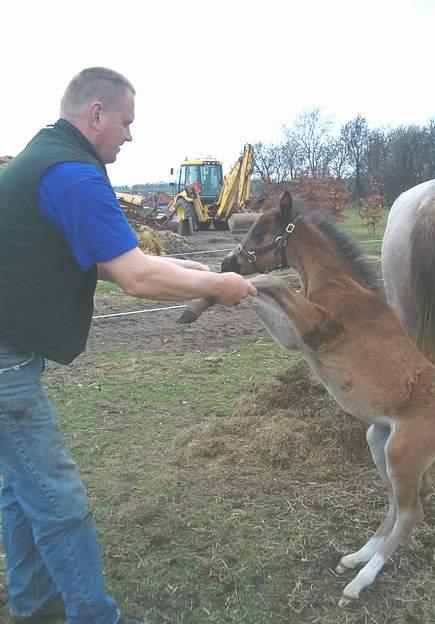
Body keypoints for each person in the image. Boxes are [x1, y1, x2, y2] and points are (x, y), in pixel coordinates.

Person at [0, 67, 256, 624]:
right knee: (56, 495)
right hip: (4, 361)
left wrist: (188, 265)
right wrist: (219, 284)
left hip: (9, 344)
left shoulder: (48, 156)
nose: (130, 136)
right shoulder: (72, 175)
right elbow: (135, 277)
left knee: (22, 488)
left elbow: (114, 260)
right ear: (95, 114)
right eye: (126, 122)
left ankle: (32, 602)